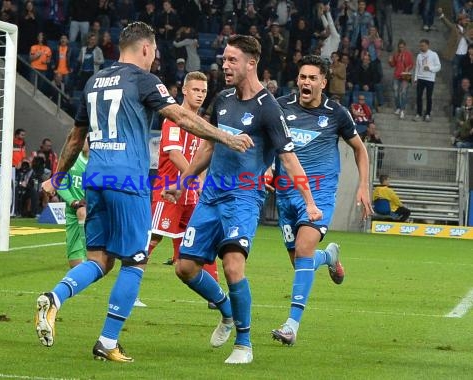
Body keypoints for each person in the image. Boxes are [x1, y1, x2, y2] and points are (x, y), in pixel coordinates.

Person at [34, 21, 252, 362]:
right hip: (127, 181)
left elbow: (76, 138)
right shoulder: (143, 80)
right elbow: (179, 116)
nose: (155, 58)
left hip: (95, 180)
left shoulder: (93, 82)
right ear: (146, 48)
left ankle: (55, 297)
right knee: (136, 260)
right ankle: (107, 342)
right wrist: (224, 137)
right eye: (155, 52)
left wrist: (57, 178)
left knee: (99, 260)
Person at [167, 35, 322, 364]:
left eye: (231, 60)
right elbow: (208, 144)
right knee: (185, 268)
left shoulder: (269, 109)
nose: (224, 65)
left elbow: (289, 158)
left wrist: (309, 201)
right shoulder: (222, 100)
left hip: (243, 198)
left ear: (251, 64)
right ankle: (225, 309)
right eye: (224, 60)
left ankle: (244, 344)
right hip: (210, 196)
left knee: (233, 265)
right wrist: (185, 180)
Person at [271, 55, 373, 347]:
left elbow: (360, 150)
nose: (306, 82)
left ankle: (291, 326)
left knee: (303, 249)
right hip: (286, 194)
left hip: (320, 195)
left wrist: (363, 186)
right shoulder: (280, 107)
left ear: (323, 83)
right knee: (299, 261)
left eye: (312, 78)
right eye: (302, 77)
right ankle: (328, 256)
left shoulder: (337, 113)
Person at [148, 71, 219, 303]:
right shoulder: (173, 119)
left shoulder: (201, 124)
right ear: (185, 90)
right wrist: (196, 180)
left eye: (203, 91)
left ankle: (214, 293)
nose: (200, 95)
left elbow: (203, 157)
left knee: (202, 238)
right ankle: (129, 283)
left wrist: (203, 183)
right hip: (169, 191)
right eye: (196, 90)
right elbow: (175, 154)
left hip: (190, 195)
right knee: (152, 238)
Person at [413, 39, 441, 122]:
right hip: (420, 78)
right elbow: (417, 67)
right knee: (419, 96)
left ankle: (428, 114)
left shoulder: (433, 54)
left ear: (428, 45)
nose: (422, 47)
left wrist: (430, 68)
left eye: (423, 45)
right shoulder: (419, 56)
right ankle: (418, 113)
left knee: (429, 97)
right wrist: (415, 78)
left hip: (430, 79)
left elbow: (439, 66)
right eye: (421, 45)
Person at [389, 39, 414, 119]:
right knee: (396, 92)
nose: (401, 49)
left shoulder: (408, 54)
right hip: (397, 75)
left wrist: (408, 68)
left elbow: (412, 64)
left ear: (405, 47)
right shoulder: (396, 54)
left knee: (403, 93)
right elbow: (393, 65)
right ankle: (398, 107)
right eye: (400, 47)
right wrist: (390, 61)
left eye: (402, 47)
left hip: (405, 75)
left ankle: (402, 110)